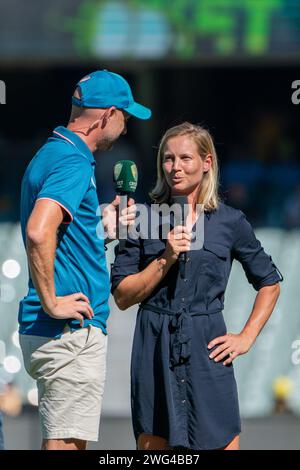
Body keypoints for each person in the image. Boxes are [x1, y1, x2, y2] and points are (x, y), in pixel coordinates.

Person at [111, 122, 283, 451]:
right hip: (154, 349)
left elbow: (269, 282)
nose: (175, 167)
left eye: (185, 158)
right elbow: (122, 297)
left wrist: (246, 337)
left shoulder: (230, 221)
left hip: (208, 348)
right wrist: (166, 258)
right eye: (168, 158)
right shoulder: (143, 218)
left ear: (206, 163)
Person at [18, 70, 151, 451]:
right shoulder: (73, 162)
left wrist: (100, 226)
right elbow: (39, 231)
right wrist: (52, 301)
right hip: (68, 331)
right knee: (65, 445)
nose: (126, 129)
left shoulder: (56, 150)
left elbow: (58, 235)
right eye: (126, 118)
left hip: (57, 331)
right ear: (108, 115)